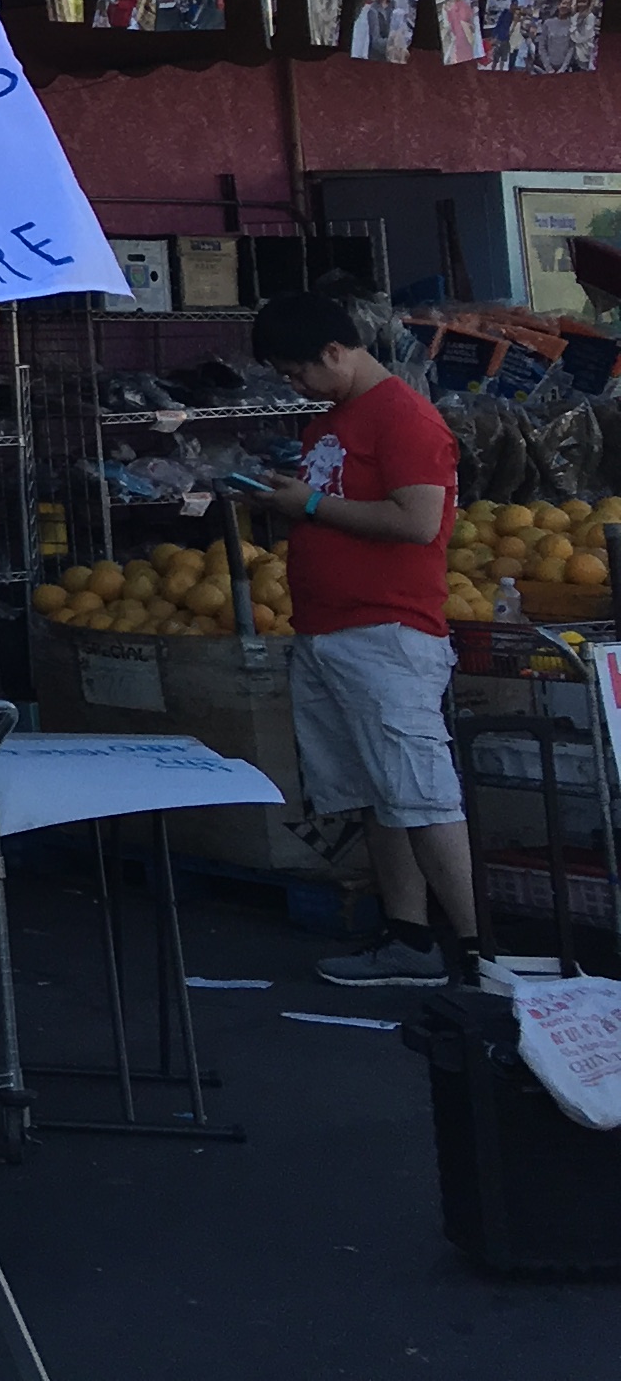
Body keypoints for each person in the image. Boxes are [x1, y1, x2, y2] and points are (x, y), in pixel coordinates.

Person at [251, 287, 476, 987]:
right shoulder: (329, 419)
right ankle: (407, 938)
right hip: (328, 630)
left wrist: (311, 504)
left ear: (335, 351)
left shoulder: (405, 418)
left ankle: (474, 952)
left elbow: (417, 521)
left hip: (388, 631)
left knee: (422, 791)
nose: (294, 386)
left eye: (298, 372)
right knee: (384, 794)